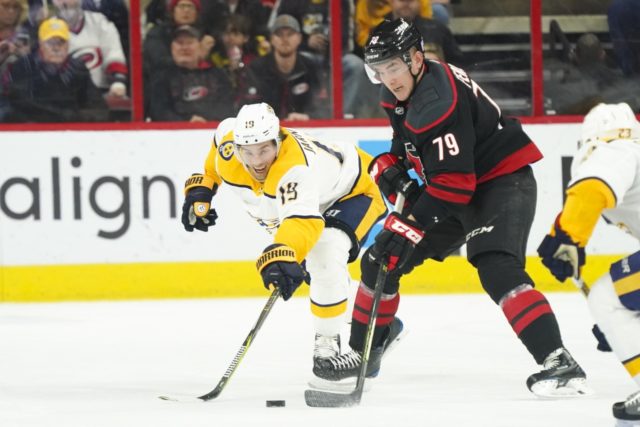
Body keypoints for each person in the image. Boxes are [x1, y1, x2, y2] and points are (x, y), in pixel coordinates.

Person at [312, 18, 589, 398]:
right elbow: (410, 142)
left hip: (500, 182)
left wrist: (408, 226)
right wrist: (392, 164)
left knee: (495, 266)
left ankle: (559, 361)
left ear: (414, 58)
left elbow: (455, 186)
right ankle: (364, 353)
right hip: (456, 184)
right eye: (379, 69)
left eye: (393, 65)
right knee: (380, 261)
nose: (387, 77)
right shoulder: (407, 88)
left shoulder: (437, 101)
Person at [180, 102, 387, 384]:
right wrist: (202, 187)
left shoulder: (293, 169)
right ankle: (375, 332)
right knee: (318, 269)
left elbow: (304, 222)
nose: (257, 161)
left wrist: (284, 254)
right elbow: (216, 151)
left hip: (352, 190)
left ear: (279, 140)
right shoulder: (230, 147)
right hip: (313, 196)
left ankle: (329, 346)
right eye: (248, 152)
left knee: (325, 254)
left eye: (265, 149)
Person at [537, 103, 640, 420]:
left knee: (607, 298)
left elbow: (591, 187)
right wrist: (560, 236)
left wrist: (569, 239)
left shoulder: (617, 148)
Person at [2, 17, 108, 122]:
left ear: (68, 45)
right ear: (41, 45)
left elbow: (98, 108)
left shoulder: (78, 69)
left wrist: (75, 119)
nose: (56, 48)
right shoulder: (23, 66)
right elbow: (21, 105)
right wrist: (65, 115)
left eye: (61, 42)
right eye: (51, 42)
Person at [238, 15, 324, 120]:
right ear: (272, 39)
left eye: (290, 34)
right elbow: (247, 107)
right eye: (279, 34)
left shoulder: (311, 67)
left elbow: (324, 106)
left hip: (303, 130)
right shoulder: (256, 69)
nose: (285, 39)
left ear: (299, 38)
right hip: (265, 132)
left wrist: (307, 117)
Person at [147, 25, 234, 122]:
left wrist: (207, 121)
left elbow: (227, 107)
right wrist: (187, 121)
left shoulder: (218, 75)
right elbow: (159, 111)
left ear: (200, 46)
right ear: (172, 48)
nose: (184, 48)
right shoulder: (162, 78)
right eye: (180, 43)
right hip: (175, 134)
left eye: (190, 43)